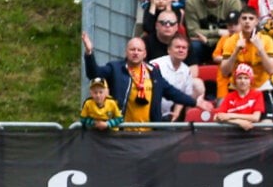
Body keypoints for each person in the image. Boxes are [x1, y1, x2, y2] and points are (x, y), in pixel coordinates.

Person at [82, 33, 210, 126]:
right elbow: (94, 74)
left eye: (139, 50)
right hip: (122, 130)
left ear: (145, 54)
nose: (136, 53)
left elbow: (171, 92)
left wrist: (194, 102)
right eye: (132, 49)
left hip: (149, 133)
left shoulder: (153, 71)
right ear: (126, 52)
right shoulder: (115, 68)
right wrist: (89, 53)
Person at [220, 7, 273, 118]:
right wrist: (236, 51)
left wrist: (261, 49)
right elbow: (224, 72)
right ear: (239, 21)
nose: (247, 21)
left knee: (267, 125)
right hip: (237, 88)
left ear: (256, 21)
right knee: (234, 126)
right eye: (244, 18)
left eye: (251, 19)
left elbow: (271, 70)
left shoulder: (266, 40)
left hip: (261, 87)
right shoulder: (231, 41)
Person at [184, 0, 243, 64]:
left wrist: (209, 41)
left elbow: (235, 32)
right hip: (202, 44)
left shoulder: (232, 2)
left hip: (225, 41)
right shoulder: (192, 2)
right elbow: (192, 31)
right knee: (194, 46)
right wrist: (218, 32)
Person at [152, 35, 196, 121]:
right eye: (177, 47)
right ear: (169, 50)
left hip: (167, 115)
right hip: (150, 112)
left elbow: (184, 94)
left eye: (184, 48)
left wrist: (176, 113)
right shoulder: (156, 65)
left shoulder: (187, 71)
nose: (181, 50)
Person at [214, 63, 266, 130]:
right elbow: (216, 117)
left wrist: (230, 116)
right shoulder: (230, 96)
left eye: (246, 78)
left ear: (251, 81)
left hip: (252, 135)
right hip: (232, 135)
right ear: (235, 81)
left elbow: (255, 117)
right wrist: (239, 122)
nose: (242, 81)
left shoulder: (257, 94)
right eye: (239, 78)